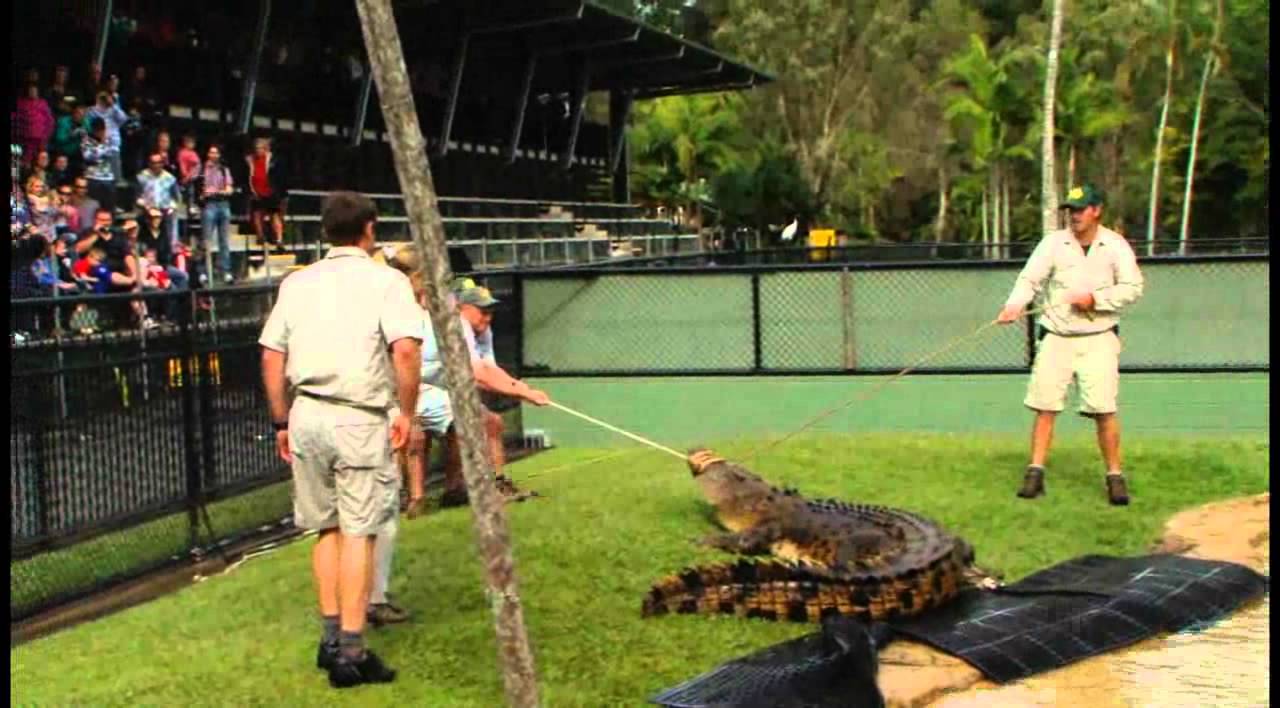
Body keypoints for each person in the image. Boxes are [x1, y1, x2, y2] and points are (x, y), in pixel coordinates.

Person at [258, 191, 422, 688]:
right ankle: (351, 650)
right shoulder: (386, 281)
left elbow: (271, 355)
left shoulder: (297, 282)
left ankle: (330, 639)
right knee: (359, 529)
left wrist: (281, 422)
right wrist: (408, 414)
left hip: (307, 412)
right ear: (369, 229)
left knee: (325, 528)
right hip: (358, 416)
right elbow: (407, 352)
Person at [995, 184, 1145, 506]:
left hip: (1099, 338)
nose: (1074, 216)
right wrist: (1015, 305)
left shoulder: (1114, 245)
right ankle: (1035, 473)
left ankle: (1115, 477)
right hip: (1057, 336)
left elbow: (1133, 287)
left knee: (1104, 409)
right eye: (1071, 210)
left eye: (1080, 209)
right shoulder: (1054, 244)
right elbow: (1029, 280)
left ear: (1096, 210)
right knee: (1045, 406)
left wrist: (1096, 300)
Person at [425, 274, 552, 508]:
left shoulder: (482, 330)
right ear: (461, 307)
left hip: (446, 389)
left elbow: (488, 369)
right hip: (422, 389)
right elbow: (476, 374)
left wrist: (522, 388)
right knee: (480, 420)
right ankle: (469, 489)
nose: (488, 317)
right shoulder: (456, 325)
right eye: (482, 310)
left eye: (490, 311)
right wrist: (524, 393)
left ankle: (488, 484)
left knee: (492, 421)